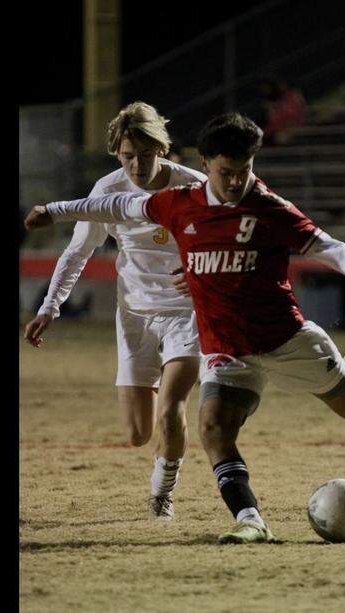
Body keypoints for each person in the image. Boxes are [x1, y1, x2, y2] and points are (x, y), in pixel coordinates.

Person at [24, 113, 345, 544]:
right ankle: (250, 519)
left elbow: (328, 248)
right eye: (226, 172)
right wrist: (54, 211)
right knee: (212, 429)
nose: (234, 182)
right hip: (226, 348)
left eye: (243, 171)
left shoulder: (268, 207)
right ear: (206, 164)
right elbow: (116, 206)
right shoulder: (180, 203)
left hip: (284, 339)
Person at [22, 102, 207, 520]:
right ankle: (158, 411)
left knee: (172, 406)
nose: (137, 166)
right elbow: (78, 251)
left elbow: (225, 239)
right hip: (134, 315)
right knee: (137, 434)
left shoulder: (192, 187)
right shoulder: (107, 191)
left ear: (162, 148)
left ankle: (163, 492)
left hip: (185, 312)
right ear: (117, 154)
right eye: (128, 157)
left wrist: (200, 273)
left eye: (145, 155)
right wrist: (50, 307)